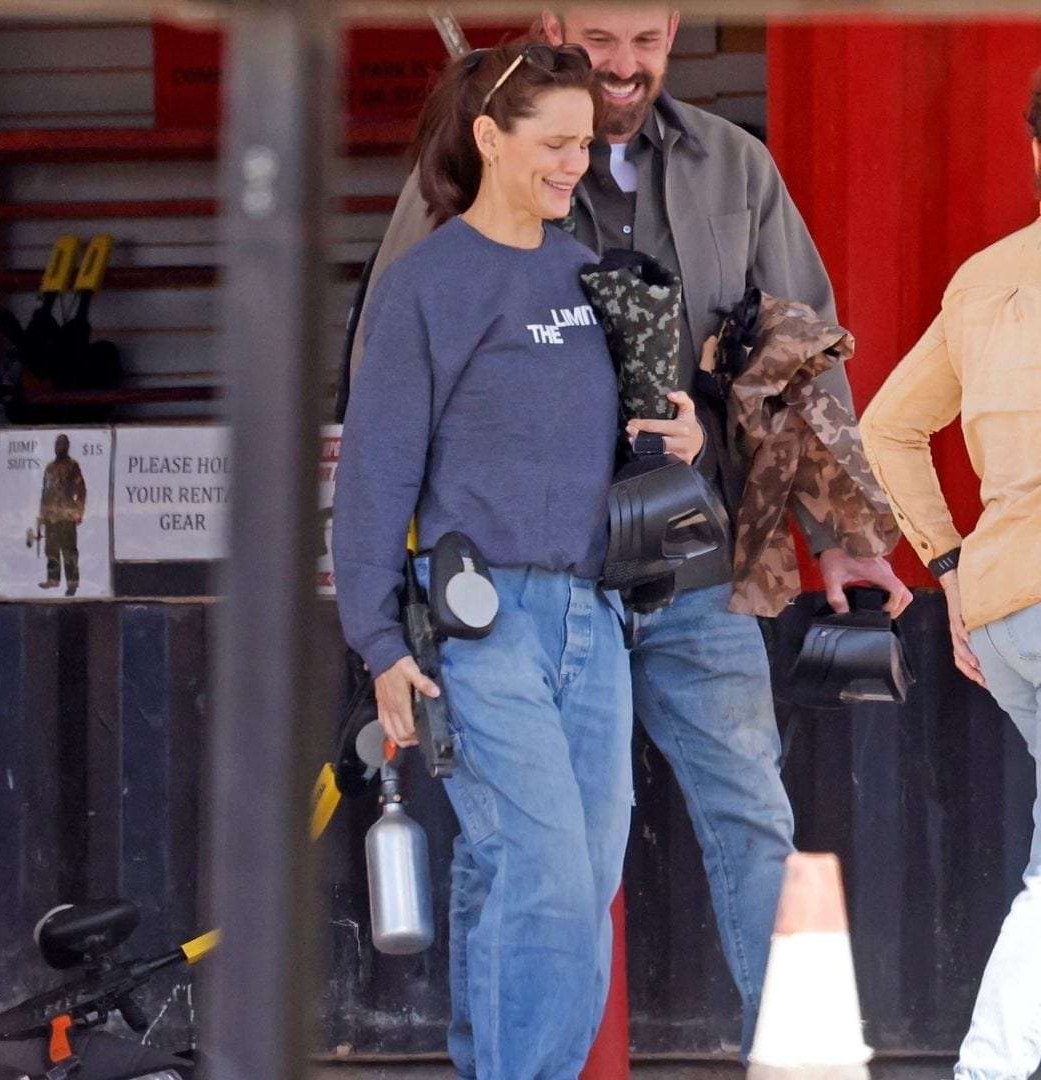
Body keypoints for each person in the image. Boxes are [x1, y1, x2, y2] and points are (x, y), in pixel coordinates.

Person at [351, 5, 913, 1059]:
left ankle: (799, 1058)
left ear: (674, 37)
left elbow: (798, 348)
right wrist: (388, 607)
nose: (625, 65)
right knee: (510, 858)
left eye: (647, 43)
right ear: (556, 25)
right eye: (603, 40)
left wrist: (837, 524)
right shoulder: (468, 182)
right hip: (519, 578)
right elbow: (393, 375)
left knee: (756, 816)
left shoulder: (732, 168)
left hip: (686, 567)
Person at [333, 41, 639, 1079]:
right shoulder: (428, 286)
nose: (574, 166)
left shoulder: (587, 272)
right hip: (480, 622)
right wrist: (379, 641)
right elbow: (374, 476)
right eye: (554, 144)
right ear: (488, 140)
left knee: (568, 874)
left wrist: (672, 435)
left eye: (585, 147)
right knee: (547, 878)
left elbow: (611, 443)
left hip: (593, 619)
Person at [860, 74, 1041, 1080]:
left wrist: (951, 565)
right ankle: (993, 1068)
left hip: (1010, 606)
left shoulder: (984, 280)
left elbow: (888, 425)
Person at [38, 433, 86, 597]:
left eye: (62, 444)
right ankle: (53, 579)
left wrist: (78, 511)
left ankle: (72, 582)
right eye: (57, 444)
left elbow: (81, 490)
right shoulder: (49, 468)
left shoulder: (73, 466)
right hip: (51, 515)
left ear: (67, 446)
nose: (59, 447)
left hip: (67, 515)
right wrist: (42, 515)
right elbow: (44, 491)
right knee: (51, 549)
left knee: (69, 550)